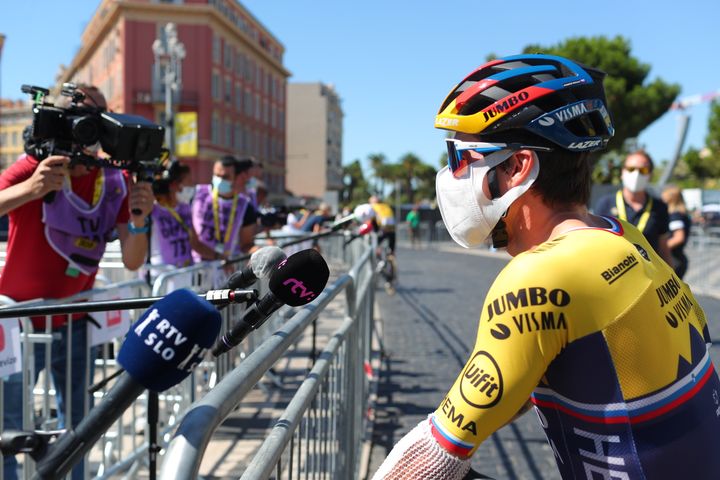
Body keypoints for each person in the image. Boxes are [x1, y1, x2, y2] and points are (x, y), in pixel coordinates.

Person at [372, 54, 720, 479]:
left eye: (461, 157)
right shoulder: (622, 233)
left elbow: (423, 462)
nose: (449, 174)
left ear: (516, 168)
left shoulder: (541, 276)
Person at [0, 84, 154, 480]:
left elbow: (135, 260)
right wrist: (31, 189)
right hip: (20, 326)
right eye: (84, 118)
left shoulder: (116, 181)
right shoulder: (35, 166)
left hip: (75, 323)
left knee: (81, 430)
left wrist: (140, 218)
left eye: (101, 117)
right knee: (9, 430)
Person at [594, 150, 673, 264]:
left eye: (643, 170)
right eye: (631, 169)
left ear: (650, 175)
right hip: (614, 275)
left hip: (649, 276)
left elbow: (664, 248)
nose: (636, 174)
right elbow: (596, 245)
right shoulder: (605, 204)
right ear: (622, 172)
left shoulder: (659, 207)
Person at [149, 161, 219, 271]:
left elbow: (195, 244)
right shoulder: (153, 210)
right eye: (189, 182)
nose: (192, 186)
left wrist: (218, 257)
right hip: (162, 275)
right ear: (174, 185)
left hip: (186, 273)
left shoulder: (185, 209)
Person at [191, 156, 257, 263]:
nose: (220, 180)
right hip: (196, 266)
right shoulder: (197, 194)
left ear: (236, 177)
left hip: (226, 267)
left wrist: (258, 251)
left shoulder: (245, 206)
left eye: (225, 177)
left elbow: (246, 243)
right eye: (217, 175)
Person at [661, 185, 692, 279]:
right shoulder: (681, 214)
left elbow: (678, 237)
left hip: (674, 259)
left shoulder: (675, 216)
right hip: (678, 258)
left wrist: (661, 249)